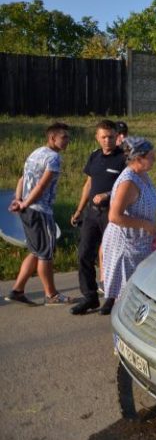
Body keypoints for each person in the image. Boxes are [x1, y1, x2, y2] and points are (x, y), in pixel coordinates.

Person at [5, 123, 74, 306]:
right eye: (64, 137)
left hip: (27, 210)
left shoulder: (36, 153)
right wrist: (26, 202)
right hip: (40, 211)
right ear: (53, 138)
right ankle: (51, 295)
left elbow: (22, 178)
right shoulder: (53, 159)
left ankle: (17, 290)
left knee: (35, 251)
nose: (68, 141)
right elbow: (41, 186)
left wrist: (18, 199)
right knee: (45, 254)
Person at [70, 120, 126, 315]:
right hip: (92, 214)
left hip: (113, 214)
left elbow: (127, 186)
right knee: (84, 253)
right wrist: (79, 210)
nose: (107, 140)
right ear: (97, 137)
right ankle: (90, 297)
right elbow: (88, 184)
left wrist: (108, 194)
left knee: (111, 256)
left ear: (117, 137)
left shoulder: (123, 158)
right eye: (103, 137)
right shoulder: (94, 156)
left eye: (111, 136)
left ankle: (111, 297)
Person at [101, 137, 156, 315]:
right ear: (139, 158)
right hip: (126, 246)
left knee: (138, 292)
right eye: (151, 155)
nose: (155, 158)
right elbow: (114, 216)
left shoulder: (142, 175)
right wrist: (145, 225)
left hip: (139, 242)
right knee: (126, 295)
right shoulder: (128, 182)